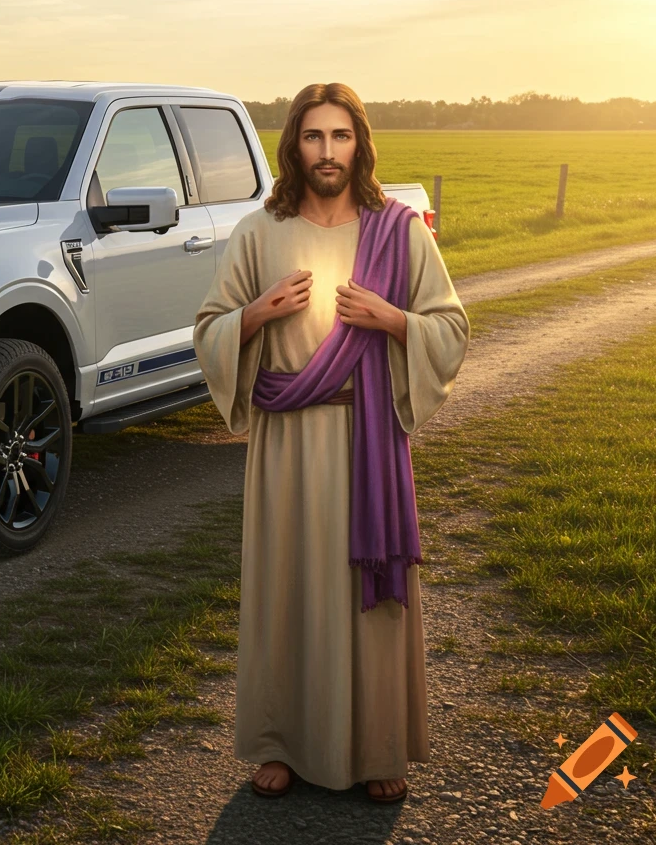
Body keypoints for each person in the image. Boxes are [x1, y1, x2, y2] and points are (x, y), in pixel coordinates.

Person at [192, 83, 469, 803]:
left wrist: (391, 318)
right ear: (294, 145)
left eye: (340, 136)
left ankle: (378, 747)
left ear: (360, 145)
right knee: (287, 589)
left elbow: (450, 327)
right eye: (313, 136)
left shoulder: (399, 231)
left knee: (367, 601)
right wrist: (257, 313)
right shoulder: (259, 232)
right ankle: (280, 743)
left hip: (365, 436)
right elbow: (209, 330)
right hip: (286, 443)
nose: (327, 151)